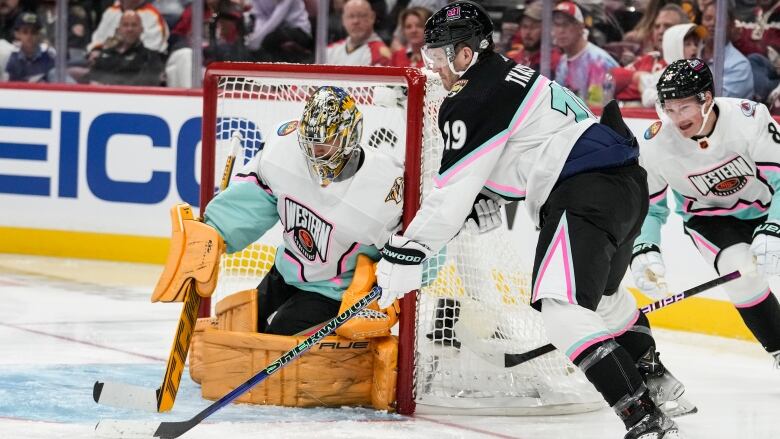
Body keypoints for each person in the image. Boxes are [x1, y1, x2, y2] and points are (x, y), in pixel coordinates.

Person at [376, 2, 685, 438]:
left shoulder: (471, 97)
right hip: (625, 185)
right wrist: (485, 201)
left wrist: (404, 253)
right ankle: (656, 375)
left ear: (466, 54)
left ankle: (644, 418)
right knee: (604, 301)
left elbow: (448, 200)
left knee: (562, 312)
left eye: (440, 56)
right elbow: (521, 155)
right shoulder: (510, 75)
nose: (436, 67)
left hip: (585, 192)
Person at [203, 86, 406, 335]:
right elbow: (257, 196)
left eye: (326, 142)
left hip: (333, 291)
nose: (315, 151)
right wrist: (215, 231)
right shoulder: (285, 151)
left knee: (274, 346)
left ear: (350, 136)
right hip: (285, 271)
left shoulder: (384, 187)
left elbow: (417, 242)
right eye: (310, 141)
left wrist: (384, 286)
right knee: (240, 331)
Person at [632, 58, 780, 372]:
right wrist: (645, 248)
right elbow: (651, 206)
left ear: (707, 99)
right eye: (668, 108)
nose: (675, 118)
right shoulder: (657, 144)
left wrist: (775, 225)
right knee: (741, 274)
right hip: (709, 220)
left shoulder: (748, 119)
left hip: (768, 206)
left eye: (683, 107)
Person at [552, 1, 619, 107]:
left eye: (566, 24)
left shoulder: (598, 61)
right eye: (556, 25)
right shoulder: (563, 61)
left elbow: (597, 107)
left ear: (581, 27)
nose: (560, 30)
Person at [79, 10, 163, 86]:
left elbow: (148, 82)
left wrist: (109, 85)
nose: (130, 29)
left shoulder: (150, 56)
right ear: (118, 30)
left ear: (141, 30)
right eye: (125, 25)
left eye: (134, 25)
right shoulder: (105, 54)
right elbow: (89, 78)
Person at [327, 0, 391, 66]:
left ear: (372, 17)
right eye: (351, 16)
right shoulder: (330, 51)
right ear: (343, 20)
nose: (356, 21)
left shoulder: (380, 55)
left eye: (361, 16)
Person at [506, 1, 561, 73]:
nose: (528, 32)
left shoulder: (554, 61)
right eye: (525, 26)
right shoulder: (513, 58)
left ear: (546, 30)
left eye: (534, 27)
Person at [5, 12, 54, 82]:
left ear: (39, 34)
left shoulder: (49, 57)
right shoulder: (11, 59)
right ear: (17, 34)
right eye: (25, 32)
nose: (29, 36)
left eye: (33, 32)